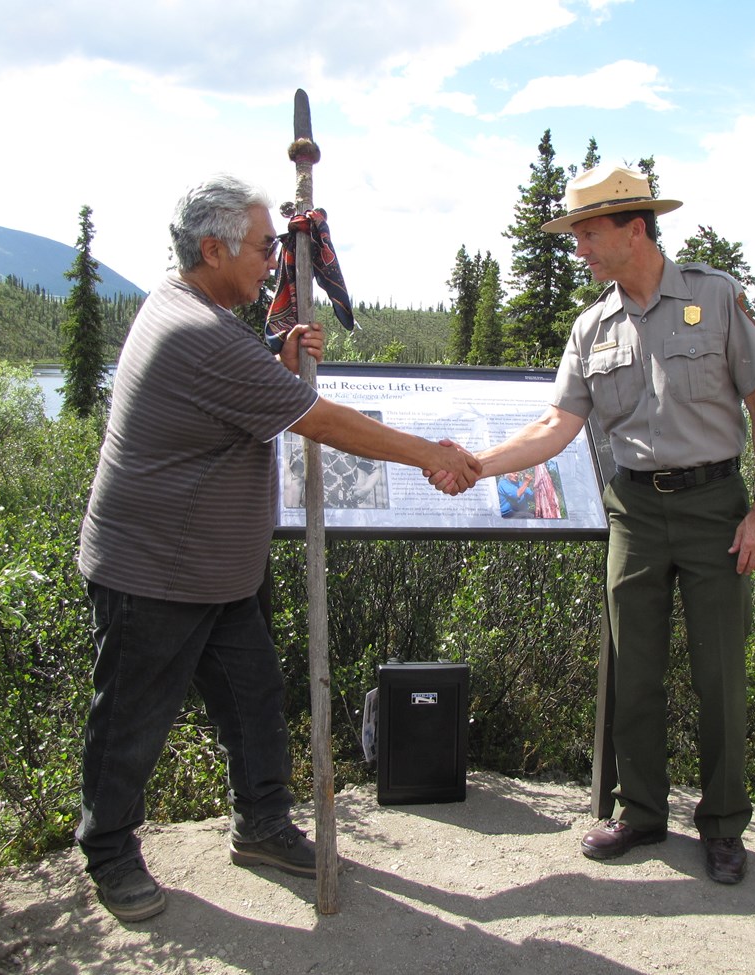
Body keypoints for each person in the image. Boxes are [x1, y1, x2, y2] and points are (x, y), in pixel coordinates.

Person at [75, 173, 480, 922]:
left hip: (217, 569)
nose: (274, 263)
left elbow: (238, 372)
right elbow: (323, 422)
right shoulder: (194, 331)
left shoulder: (197, 311)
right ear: (211, 248)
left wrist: (271, 347)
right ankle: (108, 851)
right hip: (154, 570)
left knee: (255, 698)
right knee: (131, 717)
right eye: (265, 249)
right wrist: (431, 452)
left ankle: (260, 825)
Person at [441, 163, 755, 885]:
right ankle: (642, 812)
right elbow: (556, 425)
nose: (579, 248)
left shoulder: (717, 297)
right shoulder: (591, 326)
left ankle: (723, 825)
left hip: (716, 506)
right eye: (574, 235)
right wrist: (478, 462)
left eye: (588, 233)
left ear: (635, 229)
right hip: (632, 508)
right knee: (635, 669)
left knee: (719, 672)